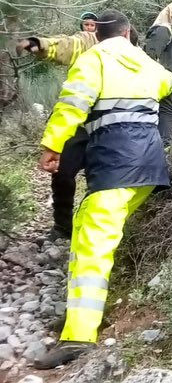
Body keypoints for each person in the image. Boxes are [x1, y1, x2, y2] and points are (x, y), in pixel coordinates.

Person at [34, 9, 172, 369]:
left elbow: (72, 105)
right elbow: (168, 81)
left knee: (91, 244)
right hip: (149, 163)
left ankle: (79, 335)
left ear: (96, 35)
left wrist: (52, 146)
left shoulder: (92, 58)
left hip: (116, 163)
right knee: (97, 227)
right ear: (128, 34)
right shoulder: (146, 63)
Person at [15, 17, 138, 241]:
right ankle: (63, 226)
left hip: (113, 125)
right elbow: (66, 45)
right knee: (63, 174)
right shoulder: (88, 42)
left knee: (106, 180)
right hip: (80, 124)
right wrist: (39, 44)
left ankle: (104, 229)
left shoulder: (134, 51)